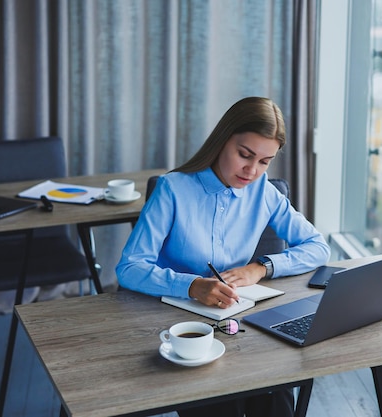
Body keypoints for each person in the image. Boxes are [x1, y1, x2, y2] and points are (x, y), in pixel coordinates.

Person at [116, 96, 330, 417]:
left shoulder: (264, 193)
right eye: (244, 155)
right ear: (222, 140)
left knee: (276, 391)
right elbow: (129, 268)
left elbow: (317, 246)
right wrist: (190, 286)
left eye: (265, 161)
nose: (252, 171)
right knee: (218, 401)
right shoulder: (172, 189)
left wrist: (262, 268)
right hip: (178, 326)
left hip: (236, 320)